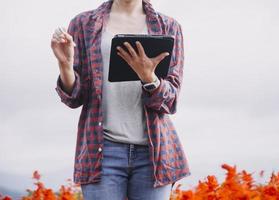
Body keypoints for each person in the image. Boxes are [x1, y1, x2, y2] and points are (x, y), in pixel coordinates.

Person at [50, 0, 191, 199]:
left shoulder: (168, 27)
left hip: (154, 155)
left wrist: (149, 78)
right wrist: (65, 65)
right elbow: (75, 98)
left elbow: (171, 100)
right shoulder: (83, 24)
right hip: (102, 152)